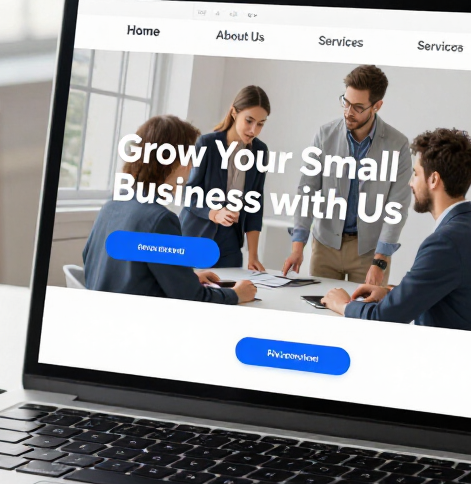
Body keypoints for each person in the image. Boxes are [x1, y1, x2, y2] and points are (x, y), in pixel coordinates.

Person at [321, 127, 471, 333]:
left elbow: (383, 318)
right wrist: (389, 293)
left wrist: (343, 305)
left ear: (434, 180)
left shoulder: (446, 242)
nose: (411, 183)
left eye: (415, 173)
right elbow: (448, 292)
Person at [83, 114, 257, 305]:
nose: (191, 166)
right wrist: (237, 294)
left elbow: (96, 263)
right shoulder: (160, 220)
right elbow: (194, 298)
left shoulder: (112, 204)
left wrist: (184, 277)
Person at [282, 65, 411, 285]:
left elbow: (396, 206)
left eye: (358, 107)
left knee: (366, 315)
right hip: (325, 247)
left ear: (377, 106)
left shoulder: (398, 145)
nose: (348, 112)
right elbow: (307, 191)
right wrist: (297, 246)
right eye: (346, 102)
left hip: (369, 253)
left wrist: (380, 261)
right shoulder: (324, 135)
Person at [181, 85, 270, 270]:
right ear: (234, 113)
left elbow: (255, 206)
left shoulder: (260, 151)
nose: (253, 130)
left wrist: (253, 256)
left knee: (230, 295)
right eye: (249, 120)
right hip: (196, 237)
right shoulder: (207, 144)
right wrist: (215, 212)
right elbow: (189, 193)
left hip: (230, 245)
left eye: (260, 123)